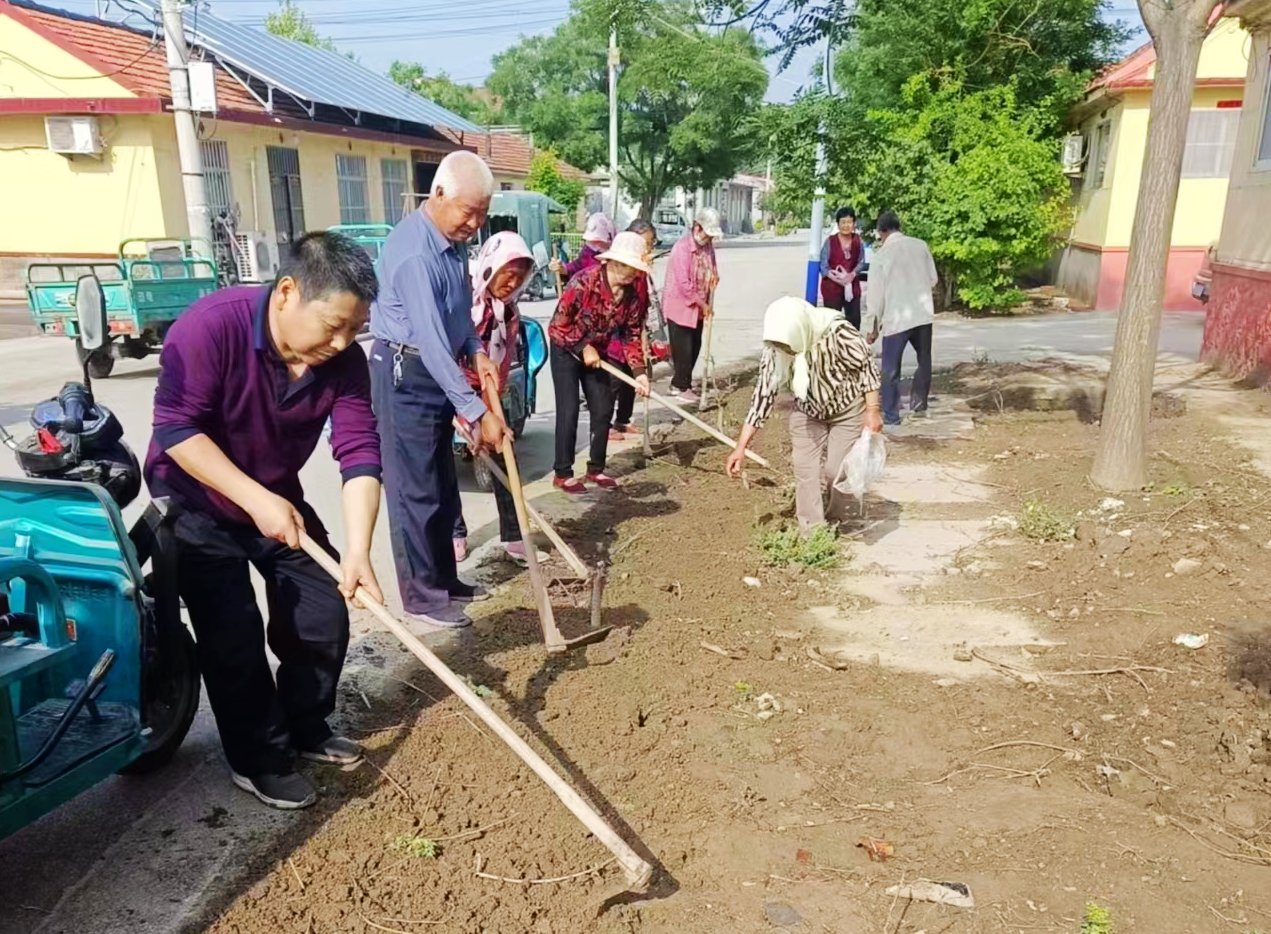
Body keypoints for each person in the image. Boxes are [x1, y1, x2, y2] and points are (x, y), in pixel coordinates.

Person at [144, 232, 384, 810]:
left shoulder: (344, 362)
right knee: (234, 634)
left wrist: (358, 550)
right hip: (195, 499)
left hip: (276, 498)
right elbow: (176, 429)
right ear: (287, 292)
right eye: (333, 325)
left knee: (323, 608)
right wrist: (254, 498)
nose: (342, 342)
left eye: (356, 329)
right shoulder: (211, 327)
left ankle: (305, 725)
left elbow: (359, 452)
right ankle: (258, 758)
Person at [369, 151, 509, 631]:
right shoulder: (415, 253)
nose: (476, 224)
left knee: (443, 485)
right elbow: (429, 340)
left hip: (435, 365)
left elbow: (457, 315)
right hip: (405, 372)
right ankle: (423, 598)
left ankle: (446, 581)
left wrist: (476, 349)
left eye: (482, 214)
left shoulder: (454, 244)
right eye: (469, 212)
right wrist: (477, 412)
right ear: (439, 194)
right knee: (415, 490)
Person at [727, 297, 883, 533]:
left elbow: (866, 367)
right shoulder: (776, 349)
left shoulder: (838, 334)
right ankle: (813, 532)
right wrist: (741, 447)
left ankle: (838, 519)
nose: (786, 351)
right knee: (805, 471)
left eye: (789, 347)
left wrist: (872, 411)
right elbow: (763, 395)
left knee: (836, 472)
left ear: (800, 332)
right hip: (808, 411)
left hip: (847, 410)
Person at [450, 231, 545, 568]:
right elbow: (447, 357)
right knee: (442, 466)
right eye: (508, 273)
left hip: (486, 390)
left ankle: (516, 537)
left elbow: (501, 365)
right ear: (491, 267)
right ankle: (454, 532)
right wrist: (468, 414)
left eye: (520, 276)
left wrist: (492, 415)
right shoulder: (463, 305)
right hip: (448, 390)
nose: (513, 282)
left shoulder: (508, 313)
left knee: (504, 453)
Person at [549, 231, 652, 494]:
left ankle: (596, 469)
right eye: (629, 267)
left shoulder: (631, 296)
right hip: (565, 348)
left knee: (603, 407)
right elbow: (557, 326)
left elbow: (630, 334)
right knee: (569, 409)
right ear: (614, 262)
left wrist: (639, 373)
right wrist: (582, 347)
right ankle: (563, 473)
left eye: (636, 269)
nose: (633, 274)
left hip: (598, 352)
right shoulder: (584, 282)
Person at [862, 211, 938, 427]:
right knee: (924, 360)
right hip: (922, 314)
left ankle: (891, 415)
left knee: (890, 368)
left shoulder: (881, 256)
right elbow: (933, 279)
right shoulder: (920, 245)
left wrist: (871, 327)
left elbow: (875, 297)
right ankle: (919, 406)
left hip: (897, 318)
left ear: (881, 232)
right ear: (899, 227)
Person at [662, 207, 722, 403]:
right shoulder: (682, 248)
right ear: (697, 227)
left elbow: (712, 267)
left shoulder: (708, 247)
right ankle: (681, 386)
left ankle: (681, 383)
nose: (709, 238)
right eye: (707, 233)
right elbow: (683, 283)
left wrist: (714, 277)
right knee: (683, 349)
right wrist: (702, 304)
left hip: (699, 307)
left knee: (696, 345)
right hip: (680, 306)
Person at [608, 218, 659, 438]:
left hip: (633, 329)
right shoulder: (621, 267)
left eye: (650, 244)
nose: (648, 248)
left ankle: (622, 420)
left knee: (634, 375)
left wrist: (643, 337)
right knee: (613, 381)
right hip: (614, 335)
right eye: (645, 243)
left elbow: (642, 305)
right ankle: (605, 425)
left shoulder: (641, 269)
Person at [820, 206, 866, 329]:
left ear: (854, 223)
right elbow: (823, 266)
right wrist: (839, 280)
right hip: (832, 288)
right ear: (838, 224)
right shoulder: (830, 241)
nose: (846, 225)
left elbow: (861, 262)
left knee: (854, 322)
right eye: (843, 222)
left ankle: (852, 341)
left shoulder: (858, 240)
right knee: (831, 323)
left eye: (849, 222)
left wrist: (851, 276)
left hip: (852, 287)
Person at [550, 212, 616, 282]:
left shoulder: (618, 256)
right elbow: (576, 267)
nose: (595, 244)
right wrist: (562, 269)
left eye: (598, 240)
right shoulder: (588, 252)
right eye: (592, 241)